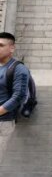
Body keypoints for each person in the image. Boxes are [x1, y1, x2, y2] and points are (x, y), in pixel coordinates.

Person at [0, 32, 30, 164]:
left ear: (11, 48)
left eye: (1, 45)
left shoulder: (18, 69)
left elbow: (19, 96)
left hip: (3, 122)